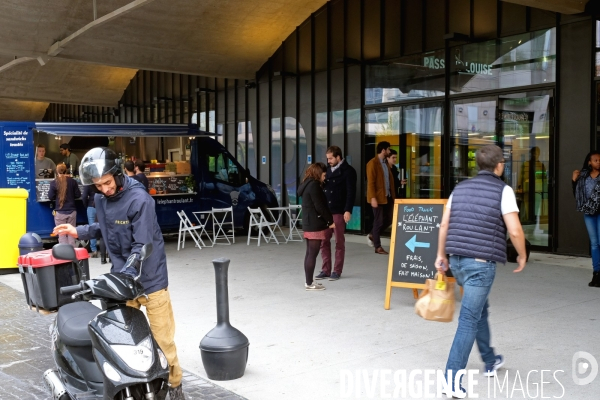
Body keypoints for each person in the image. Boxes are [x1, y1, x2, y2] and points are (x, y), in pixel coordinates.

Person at [52, 147, 187, 400]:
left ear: (116, 173)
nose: (103, 189)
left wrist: (127, 272)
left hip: (151, 280)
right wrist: (77, 231)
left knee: (161, 343)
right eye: (97, 185)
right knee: (127, 344)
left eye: (107, 182)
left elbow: (142, 245)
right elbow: (104, 227)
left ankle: (175, 385)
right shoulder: (102, 200)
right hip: (122, 282)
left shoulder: (140, 200)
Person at [435, 144, 527, 398]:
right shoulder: (503, 190)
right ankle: (451, 380)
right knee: (468, 320)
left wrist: (441, 255)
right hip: (480, 265)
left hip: (458, 261)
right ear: (500, 165)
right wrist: (521, 254)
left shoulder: (460, 188)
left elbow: (444, 224)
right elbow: (515, 230)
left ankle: (490, 359)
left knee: (478, 309)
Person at [314, 146, 356, 281]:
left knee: (339, 242)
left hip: (339, 210)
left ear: (338, 157)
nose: (329, 161)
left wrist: (348, 210)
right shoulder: (326, 171)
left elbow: (351, 192)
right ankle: (325, 270)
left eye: (331, 158)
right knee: (323, 241)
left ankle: (337, 271)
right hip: (326, 211)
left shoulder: (349, 171)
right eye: (327, 158)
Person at [297, 162, 335, 291]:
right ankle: (309, 283)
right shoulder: (314, 186)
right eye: (324, 174)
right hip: (315, 224)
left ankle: (309, 281)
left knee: (309, 253)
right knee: (312, 254)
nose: (325, 177)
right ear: (318, 173)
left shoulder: (307, 184)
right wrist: (330, 221)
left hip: (309, 223)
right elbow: (320, 207)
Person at [572, 150, 600, 287]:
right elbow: (577, 194)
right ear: (589, 162)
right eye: (595, 160)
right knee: (594, 244)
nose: (598, 162)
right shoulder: (583, 176)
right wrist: (573, 180)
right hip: (588, 212)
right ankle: (596, 273)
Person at [366, 141, 395, 255]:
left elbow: (388, 181)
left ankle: (373, 234)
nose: (389, 151)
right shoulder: (372, 163)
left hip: (386, 196)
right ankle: (377, 247)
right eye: (388, 149)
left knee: (390, 218)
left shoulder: (385, 163)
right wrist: (373, 197)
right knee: (379, 220)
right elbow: (371, 183)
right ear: (383, 150)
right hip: (377, 197)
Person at [48, 164, 81, 246]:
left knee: (61, 234)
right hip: (72, 211)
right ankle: (72, 253)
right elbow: (78, 195)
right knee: (71, 234)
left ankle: (64, 254)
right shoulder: (72, 181)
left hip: (60, 212)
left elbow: (50, 197)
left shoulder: (54, 182)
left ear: (57, 171)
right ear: (66, 170)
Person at [517, 146, 546, 223]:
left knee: (536, 210)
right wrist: (520, 187)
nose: (535, 155)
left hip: (538, 191)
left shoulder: (541, 165)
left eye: (537, 153)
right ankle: (528, 223)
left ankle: (534, 223)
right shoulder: (525, 164)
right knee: (527, 209)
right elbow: (521, 177)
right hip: (527, 190)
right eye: (534, 153)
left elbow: (544, 178)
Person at [81, 185, 98, 258]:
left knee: (92, 227)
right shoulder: (100, 180)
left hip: (91, 206)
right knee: (104, 226)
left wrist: (87, 205)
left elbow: (84, 196)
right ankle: (106, 250)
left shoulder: (88, 184)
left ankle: (94, 250)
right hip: (101, 206)